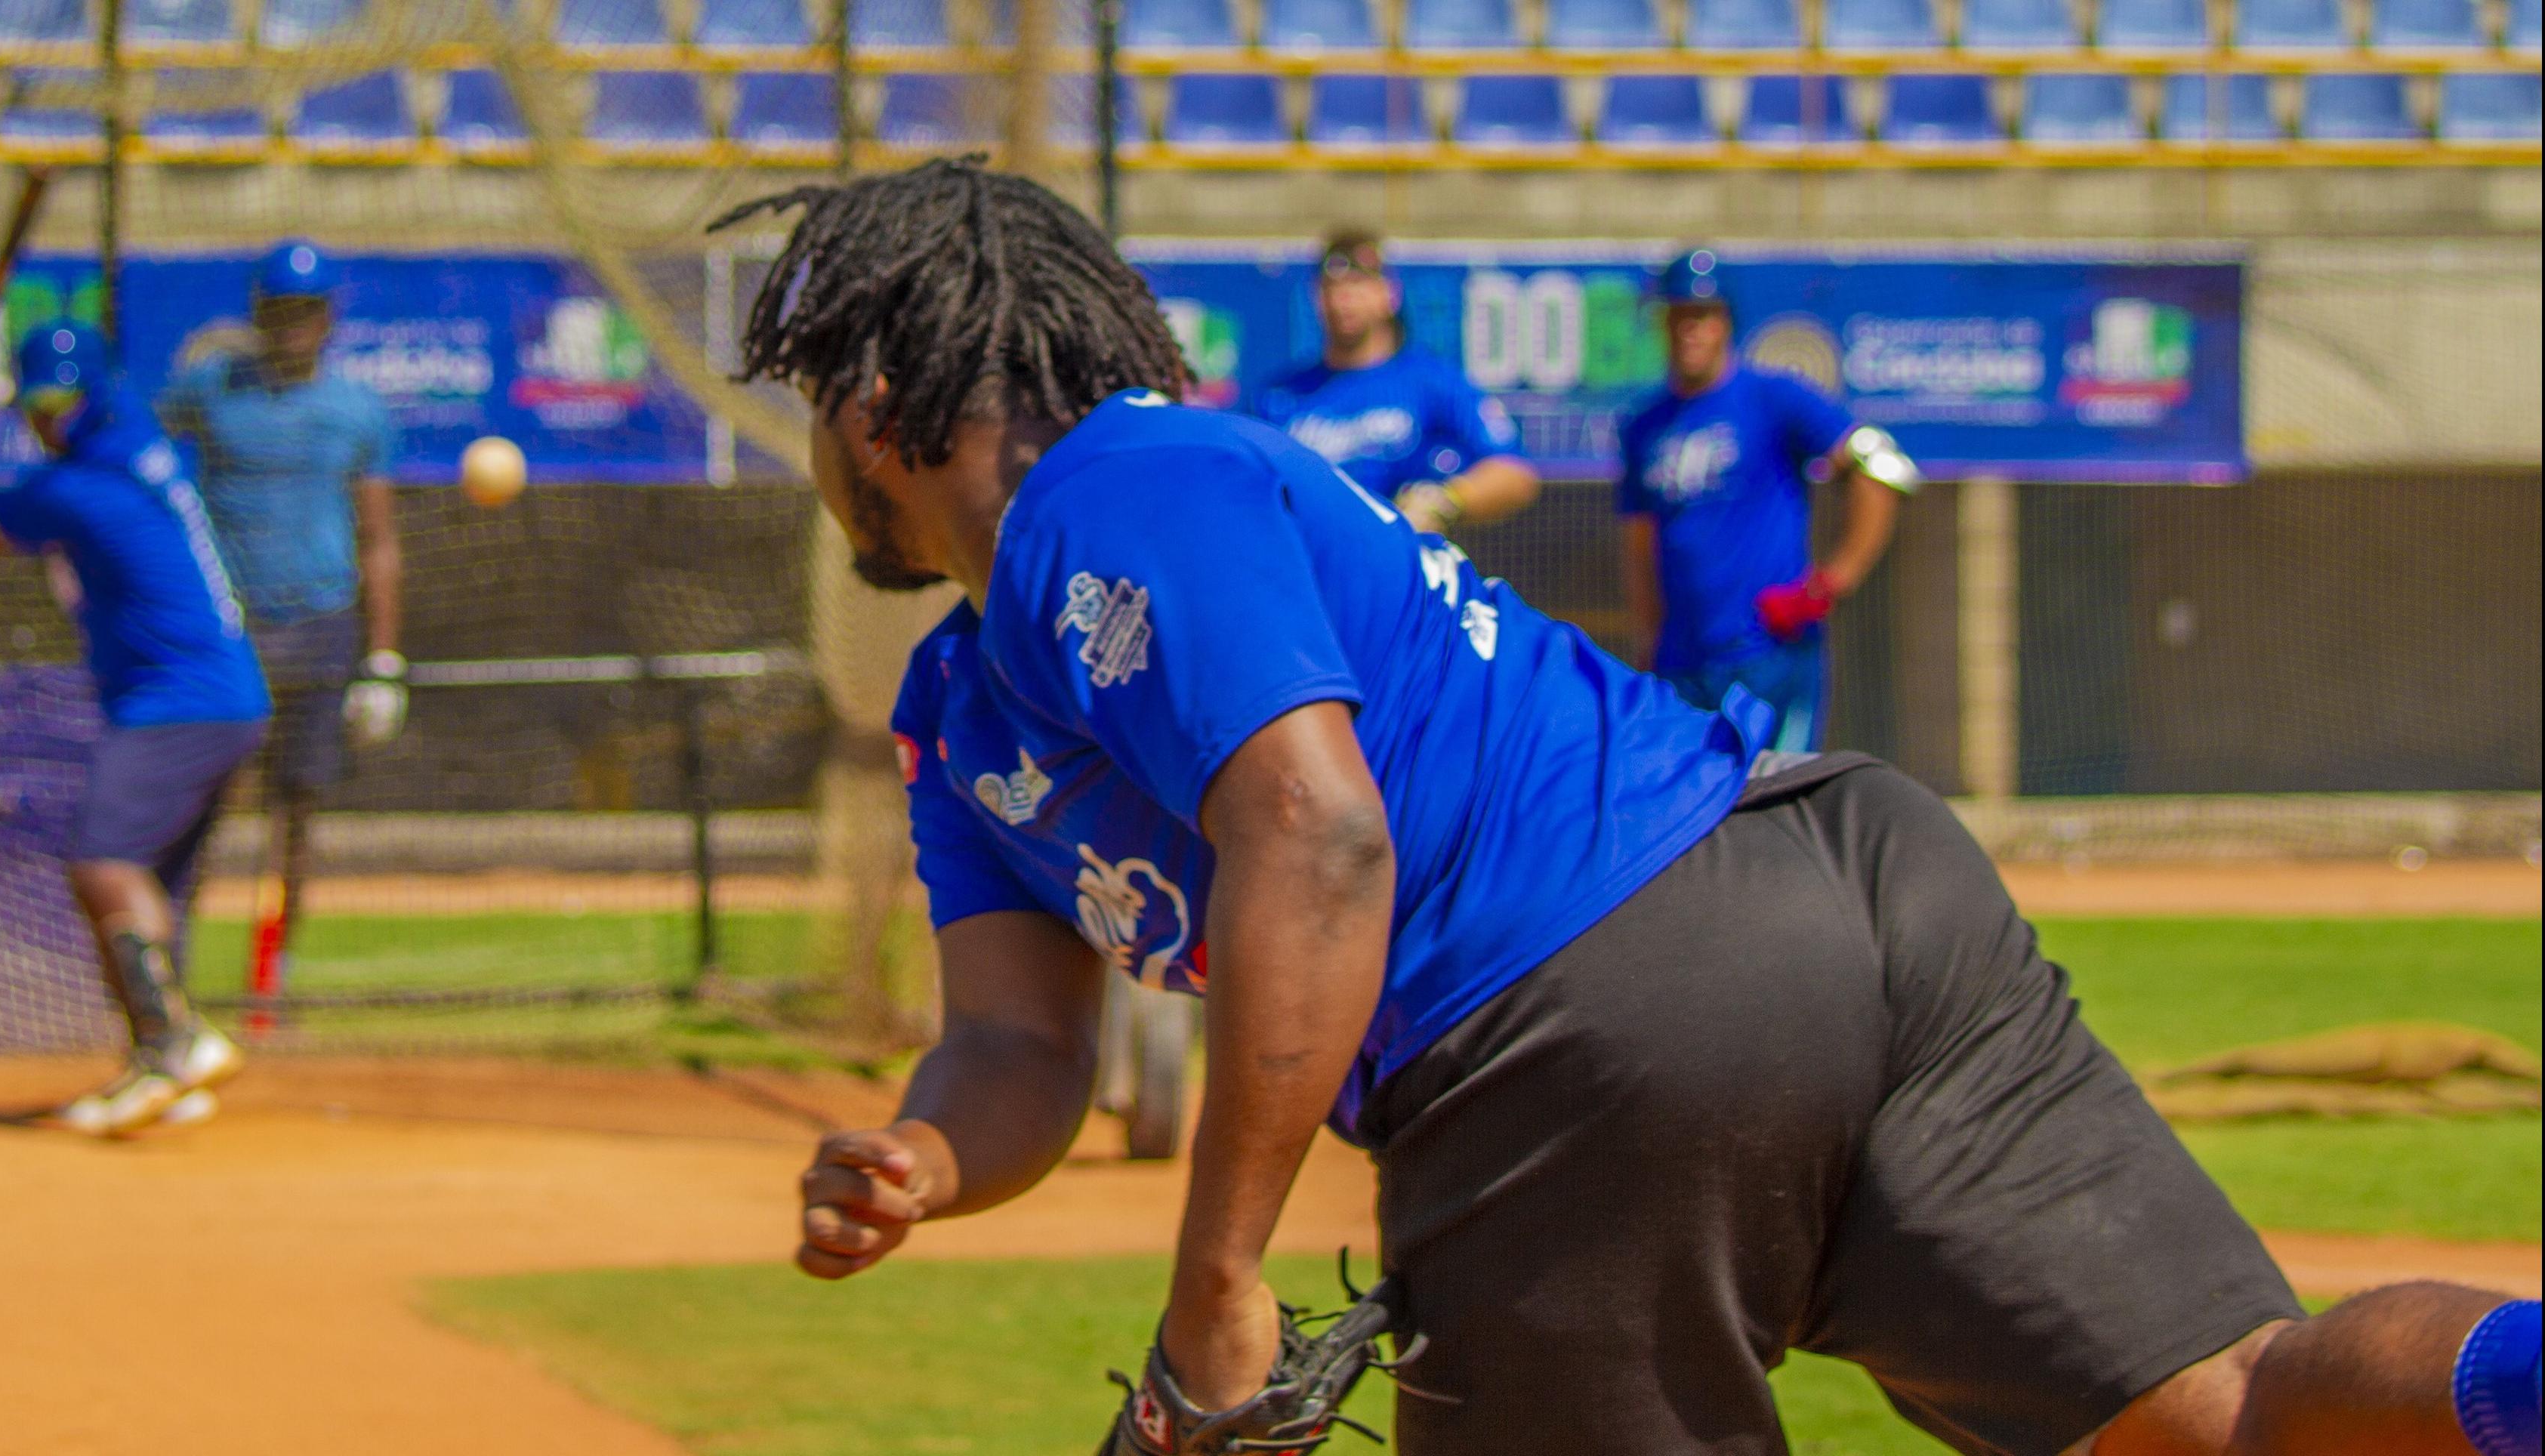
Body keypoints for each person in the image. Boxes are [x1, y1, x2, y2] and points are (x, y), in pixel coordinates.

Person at [725, 159, 2536, 1456]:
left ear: (874, 410)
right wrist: (927, 1157)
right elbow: (1014, 1045)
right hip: (1825, 884)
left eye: (813, 417)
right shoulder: (958, 710)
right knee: (2229, 1415)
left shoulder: (1110, 486)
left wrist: (1217, 1283)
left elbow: (1322, 831)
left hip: (1571, 1015)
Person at [0, 320, 267, 1138]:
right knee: (145, 891)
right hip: (224, 699)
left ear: (94, 397)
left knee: (103, 865)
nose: (50, 420)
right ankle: (160, 1069)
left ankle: (175, 1042)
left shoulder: (73, 489)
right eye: (38, 405)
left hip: (178, 704)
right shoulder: (140, 443)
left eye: (65, 402)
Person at [157, 240, 409, 989]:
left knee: (295, 813)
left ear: (328, 318)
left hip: (321, 627)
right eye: (278, 309)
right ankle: (173, 972)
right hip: (228, 633)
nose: (292, 324)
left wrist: (385, 661)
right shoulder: (210, 390)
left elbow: (380, 540)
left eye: (306, 310)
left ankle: (273, 975)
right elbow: (138, 444)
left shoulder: (357, 411)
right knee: (198, 802)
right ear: (258, 314)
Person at [1616, 247, 1922, 753]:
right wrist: (1646, 636)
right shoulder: (1643, 427)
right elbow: (1638, 541)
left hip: (1768, 653)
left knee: (1776, 808)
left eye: (1702, 315)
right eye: (1678, 315)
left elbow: (1880, 470)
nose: (1689, 329)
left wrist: (1831, 582)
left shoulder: (1771, 398)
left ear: (1725, 322)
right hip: (1682, 660)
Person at [1251, 230, 1539, 538]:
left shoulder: (1429, 381)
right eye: (1332, 288)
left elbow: (1514, 473)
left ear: (1389, 294)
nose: (1344, 299)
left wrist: (1445, 500)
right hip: (1309, 564)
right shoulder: (1281, 396)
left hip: (1401, 563)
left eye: (1359, 285)